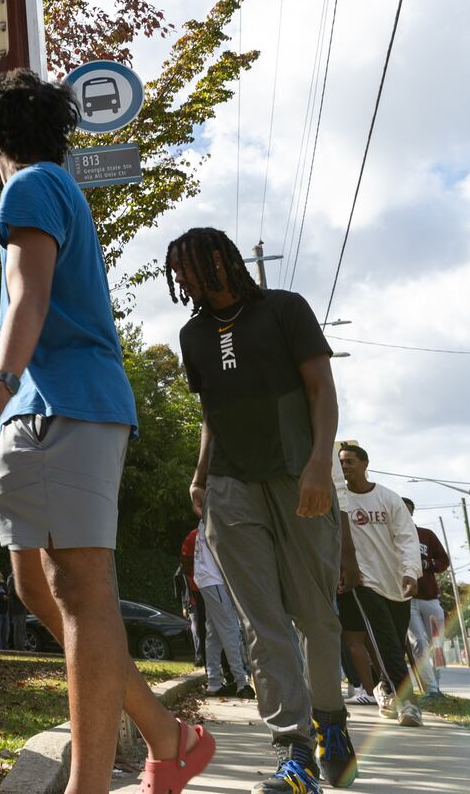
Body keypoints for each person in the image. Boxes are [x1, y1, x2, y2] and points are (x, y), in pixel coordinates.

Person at [0, 70, 213, 794]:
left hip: (68, 406)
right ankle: (165, 731)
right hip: (42, 409)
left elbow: (27, 294)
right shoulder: (56, 187)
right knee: (36, 586)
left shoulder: (29, 185)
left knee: (82, 592)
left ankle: (86, 787)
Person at [167, 226, 357, 793]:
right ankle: (293, 750)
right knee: (260, 622)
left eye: (189, 267)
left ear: (220, 262)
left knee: (314, 615)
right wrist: (201, 476)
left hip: (298, 477)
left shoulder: (284, 309)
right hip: (230, 487)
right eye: (177, 273)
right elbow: (211, 413)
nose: (182, 279)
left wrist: (320, 464)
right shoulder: (192, 334)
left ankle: (332, 723)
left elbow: (322, 390)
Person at [336, 445, 422, 726]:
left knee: (394, 643)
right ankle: (407, 702)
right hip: (363, 581)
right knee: (384, 639)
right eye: (341, 463)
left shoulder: (388, 498)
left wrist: (411, 572)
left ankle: (384, 687)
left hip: (396, 582)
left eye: (350, 461)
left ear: (365, 463)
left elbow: (407, 538)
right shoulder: (340, 500)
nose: (345, 466)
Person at [191, 520, 253, 699]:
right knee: (230, 630)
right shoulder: (215, 514)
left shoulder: (208, 516)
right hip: (214, 579)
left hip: (207, 578)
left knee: (215, 634)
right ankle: (242, 682)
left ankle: (214, 683)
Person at [403, 498, 449, 698]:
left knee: (436, 644)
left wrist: (428, 564)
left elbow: (443, 560)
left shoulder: (426, 535)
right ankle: (431, 689)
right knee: (418, 643)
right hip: (407, 599)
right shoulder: (391, 536)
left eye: (407, 510)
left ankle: (437, 683)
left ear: (412, 512)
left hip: (430, 598)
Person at [178, 526, 207, 667]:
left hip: (201, 593)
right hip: (194, 598)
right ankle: (200, 657)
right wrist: (185, 604)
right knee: (198, 629)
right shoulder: (193, 536)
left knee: (206, 629)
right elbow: (183, 580)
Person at [5, 571, 29, 651]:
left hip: (21, 607)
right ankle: (19, 648)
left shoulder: (17, 578)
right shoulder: (12, 578)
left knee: (22, 628)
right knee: (18, 629)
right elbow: (12, 591)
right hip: (17, 608)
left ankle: (21, 646)